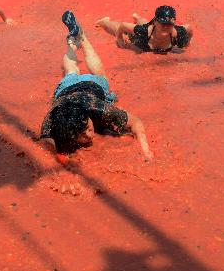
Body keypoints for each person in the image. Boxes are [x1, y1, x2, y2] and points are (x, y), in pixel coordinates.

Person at [38, 12, 153, 162]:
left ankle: (78, 40)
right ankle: (75, 41)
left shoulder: (97, 108)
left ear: (87, 116)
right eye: (82, 134)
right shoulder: (56, 122)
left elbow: (136, 123)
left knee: (94, 74)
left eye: (88, 127)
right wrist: (60, 156)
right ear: (69, 133)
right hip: (67, 88)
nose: (89, 134)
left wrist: (145, 151)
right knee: (71, 71)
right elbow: (45, 141)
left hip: (91, 85)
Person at [95, 5, 193, 54]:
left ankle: (137, 17)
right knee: (124, 28)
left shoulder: (177, 33)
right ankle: (104, 22)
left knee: (143, 23)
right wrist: (119, 37)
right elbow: (123, 25)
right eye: (163, 24)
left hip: (149, 29)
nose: (166, 27)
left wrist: (188, 41)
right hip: (143, 38)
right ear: (155, 22)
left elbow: (189, 28)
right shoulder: (144, 31)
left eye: (169, 24)